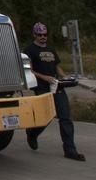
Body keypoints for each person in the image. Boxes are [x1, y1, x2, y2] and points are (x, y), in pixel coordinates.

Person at [24, 22, 85, 161]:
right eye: (40, 35)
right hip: (41, 88)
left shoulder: (51, 50)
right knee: (46, 117)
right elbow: (29, 70)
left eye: (45, 35)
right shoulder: (29, 50)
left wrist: (65, 77)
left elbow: (57, 67)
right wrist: (44, 77)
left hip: (57, 86)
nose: (43, 37)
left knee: (65, 118)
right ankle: (32, 133)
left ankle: (70, 150)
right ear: (34, 35)